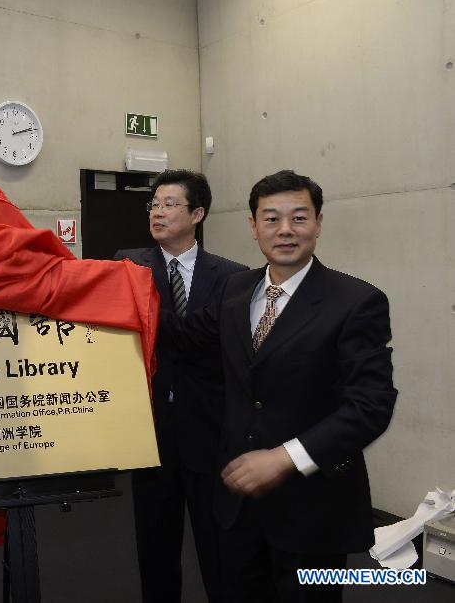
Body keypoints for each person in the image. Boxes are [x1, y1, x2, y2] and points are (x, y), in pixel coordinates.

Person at [167, 170, 397, 602]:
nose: (285, 230)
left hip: (311, 509)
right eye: (271, 219)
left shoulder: (355, 301)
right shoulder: (234, 290)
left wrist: (285, 458)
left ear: (318, 223)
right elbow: (180, 336)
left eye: (299, 217)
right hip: (236, 506)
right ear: (253, 226)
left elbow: (371, 405)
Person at [114, 169, 246, 602]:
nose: (158, 212)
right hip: (151, 431)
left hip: (210, 430)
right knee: (155, 547)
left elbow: (221, 346)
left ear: (197, 214)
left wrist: (154, 321)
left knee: (218, 548)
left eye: (170, 204)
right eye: (153, 204)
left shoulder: (232, 276)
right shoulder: (127, 266)